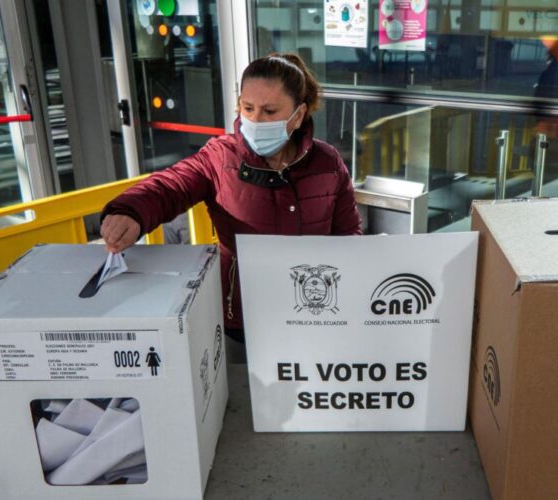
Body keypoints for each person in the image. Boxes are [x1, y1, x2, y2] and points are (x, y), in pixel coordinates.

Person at [100, 53, 363, 360]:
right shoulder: (221, 157)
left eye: (269, 111)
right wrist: (129, 210)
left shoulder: (328, 163)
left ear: (299, 114)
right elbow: (172, 185)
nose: (255, 120)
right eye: (247, 108)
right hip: (239, 320)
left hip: (314, 316)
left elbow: (349, 238)